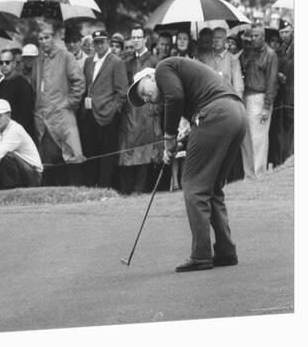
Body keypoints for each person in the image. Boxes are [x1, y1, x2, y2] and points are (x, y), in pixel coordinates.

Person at [127, 57, 247, 272]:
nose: (146, 98)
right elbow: (197, 126)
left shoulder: (163, 69)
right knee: (213, 189)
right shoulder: (180, 81)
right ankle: (226, 251)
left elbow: (176, 97)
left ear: (149, 76)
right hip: (236, 113)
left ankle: (201, 256)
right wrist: (177, 143)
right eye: (142, 100)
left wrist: (169, 138)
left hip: (217, 112)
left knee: (193, 187)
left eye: (142, 91)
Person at [33, 21, 85, 186]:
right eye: (40, 39)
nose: (44, 41)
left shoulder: (66, 56)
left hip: (63, 116)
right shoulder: (39, 61)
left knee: (70, 155)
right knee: (49, 158)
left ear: (53, 37)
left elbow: (79, 82)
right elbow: (37, 87)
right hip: (44, 119)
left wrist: (69, 103)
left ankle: (73, 192)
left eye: (47, 37)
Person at [79, 30, 128, 187]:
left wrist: (113, 110)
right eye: (96, 42)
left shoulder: (116, 62)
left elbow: (123, 92)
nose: (99, 45)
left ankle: (104, 185)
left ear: (107, 42)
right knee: (90, 151)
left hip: (107, 115)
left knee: (107, 153)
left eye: (102, 42)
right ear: (92, 44)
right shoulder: (88, 62)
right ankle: (90, 184)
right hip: (89, 113)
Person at [117, 26, 162, 194]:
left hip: (148, 113)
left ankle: (141, 188)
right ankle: (127, 189)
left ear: (145, 39)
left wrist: (155, 108)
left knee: (146, 152)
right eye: (133, 37)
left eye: (139, 37)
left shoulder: (155, 60)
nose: (135, 40)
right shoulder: (126, 62)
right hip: (130, 113)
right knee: (128, 152)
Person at [239, 26, 278, 179]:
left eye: (256, 36)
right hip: (248, 96)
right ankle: (249, 174)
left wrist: (266, 107)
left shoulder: (270, 55)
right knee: (248, 139)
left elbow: (272, 82)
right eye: (252, 36)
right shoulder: (250, 52)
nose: (253, 38)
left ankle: (258, 174)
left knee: (259, 140)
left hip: (261, 98)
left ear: (263, 37)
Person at [268, 19, 294, 168]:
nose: (284, 35)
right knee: (281, 131)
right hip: (282, 97)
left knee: (291, 130)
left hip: (291, 94)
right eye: (282, 32)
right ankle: (281, 161)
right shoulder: (282, 49)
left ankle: (289, 160)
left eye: (287, 32)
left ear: (293, 31)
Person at [0, 49, 36, 141]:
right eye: (1, 62)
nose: (4, 65)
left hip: (20, 135)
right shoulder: (2, 83)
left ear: (14, 63)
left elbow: (26, 114)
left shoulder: (22, 83)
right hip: (6, 133)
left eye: (7, 62)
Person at [207, 27, 244, 98]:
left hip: (226, 98)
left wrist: (237, 102)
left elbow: (238, 85)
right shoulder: (206, 58)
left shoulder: (233, 59)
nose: (216, 40)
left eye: (219, 38)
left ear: (225, 40)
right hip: (209, 98)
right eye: (214, 37)